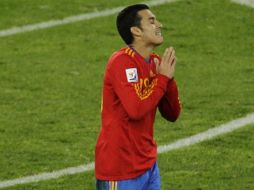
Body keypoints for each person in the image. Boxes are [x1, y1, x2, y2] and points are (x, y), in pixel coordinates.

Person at [95, 4, 181, 190]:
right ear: (136, 31)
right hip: (120, 169)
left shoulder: (156, 63)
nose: (159, 24)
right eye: (151, 21)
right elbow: (136, 110)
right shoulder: (121, 62)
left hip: (148, 164)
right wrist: (163, 78)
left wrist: (169, 80)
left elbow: (172, 114)